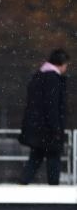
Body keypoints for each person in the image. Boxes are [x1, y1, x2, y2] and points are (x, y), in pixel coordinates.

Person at [19, 48, 69, 185]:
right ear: (61, 63)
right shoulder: (53, 79)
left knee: (35, 157)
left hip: (37, 127)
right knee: (53, 158)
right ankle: (53, 188)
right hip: (49, 129)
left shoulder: (38, 77)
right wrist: (56, 128)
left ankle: (22, 183)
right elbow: (52, 106)